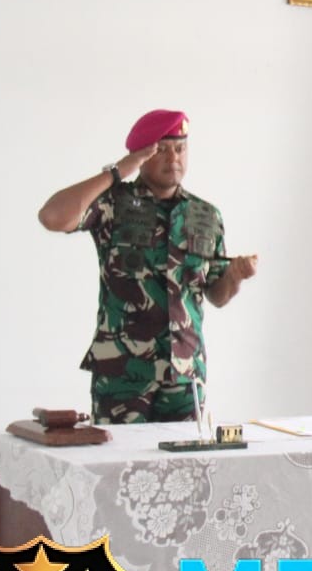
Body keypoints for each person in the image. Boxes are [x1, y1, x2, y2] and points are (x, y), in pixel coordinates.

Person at [37, 109, 258, 424]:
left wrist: (235, 276)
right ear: (141, 155)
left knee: (185, 457)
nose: (173, 158)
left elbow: (216, 296)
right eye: (162, 150)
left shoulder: (205, 215)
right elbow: (52, 217)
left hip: (185, 374)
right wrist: (116, 172)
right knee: (120, 456)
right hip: (123, 372)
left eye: (180, 149)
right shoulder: (113, 203)